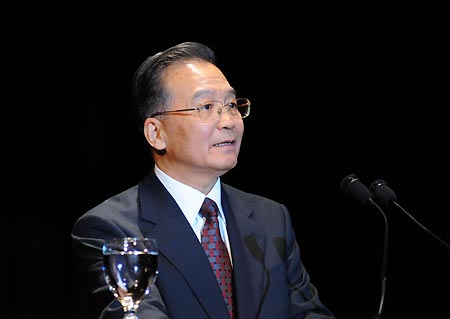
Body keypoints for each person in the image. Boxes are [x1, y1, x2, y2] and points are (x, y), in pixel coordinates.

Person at [72, 41, 335, 319]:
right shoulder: (112, 230)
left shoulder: (271, 219)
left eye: (232, 105)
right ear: (156, 133)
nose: (228, 121)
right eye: (207, 106)